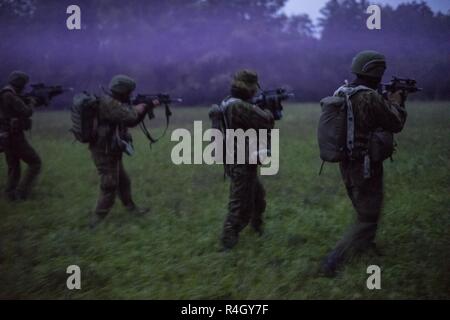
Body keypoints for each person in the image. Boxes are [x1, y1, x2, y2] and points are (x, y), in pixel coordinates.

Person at [320, 50, 408, 276]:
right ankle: (335, 259)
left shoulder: (343, 90)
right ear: (376, 71)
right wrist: (397, 102)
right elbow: (395, 123)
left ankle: (365, 247)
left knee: (362, 206)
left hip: (347, 162)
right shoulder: (369, 97)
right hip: (365, 164)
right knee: (368, 216)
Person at [89, 74, 159, 228]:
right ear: (122, 91)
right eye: (129, 92)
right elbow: (129, 116)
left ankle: (131, 209)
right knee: (110, 184)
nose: (131, 95)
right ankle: (96, 222)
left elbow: (132, 121)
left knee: (123, 182)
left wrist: (146, 108)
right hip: (104, 150)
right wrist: (144, 107)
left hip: (112, 148)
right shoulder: (109, 104)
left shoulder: (115, 102)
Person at [219, 70, 275, 250]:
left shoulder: (230, 101)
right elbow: (266, 121)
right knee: (240, 202)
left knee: (258, 196)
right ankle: (228, 240)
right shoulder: (239, 106)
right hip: (240, 159)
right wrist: (269, 108)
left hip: (239, 157)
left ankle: (257, 227)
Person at [0, 71, 41, 201]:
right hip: (14, 136)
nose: (24, 87)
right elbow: (27, 112)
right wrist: (32, 103)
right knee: (35, 162)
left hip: (5, 136)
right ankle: (21, 193)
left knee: (14, 167)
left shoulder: (5, 93)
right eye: (23, 84)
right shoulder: (10, 96)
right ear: (20, 84)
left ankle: (9, 195)